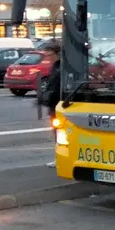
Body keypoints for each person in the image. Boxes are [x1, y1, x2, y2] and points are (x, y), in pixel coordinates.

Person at [37, 40, 62, 168]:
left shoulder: (62, 67)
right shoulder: (55, 67)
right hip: (54, 105)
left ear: (57, 53)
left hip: (60, 105)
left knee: (60, 133)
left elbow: (58, 87)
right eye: (47, 56)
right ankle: (59, 158)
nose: (48, 58)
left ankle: (61, 158)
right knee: (57, 133)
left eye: (50, 55)